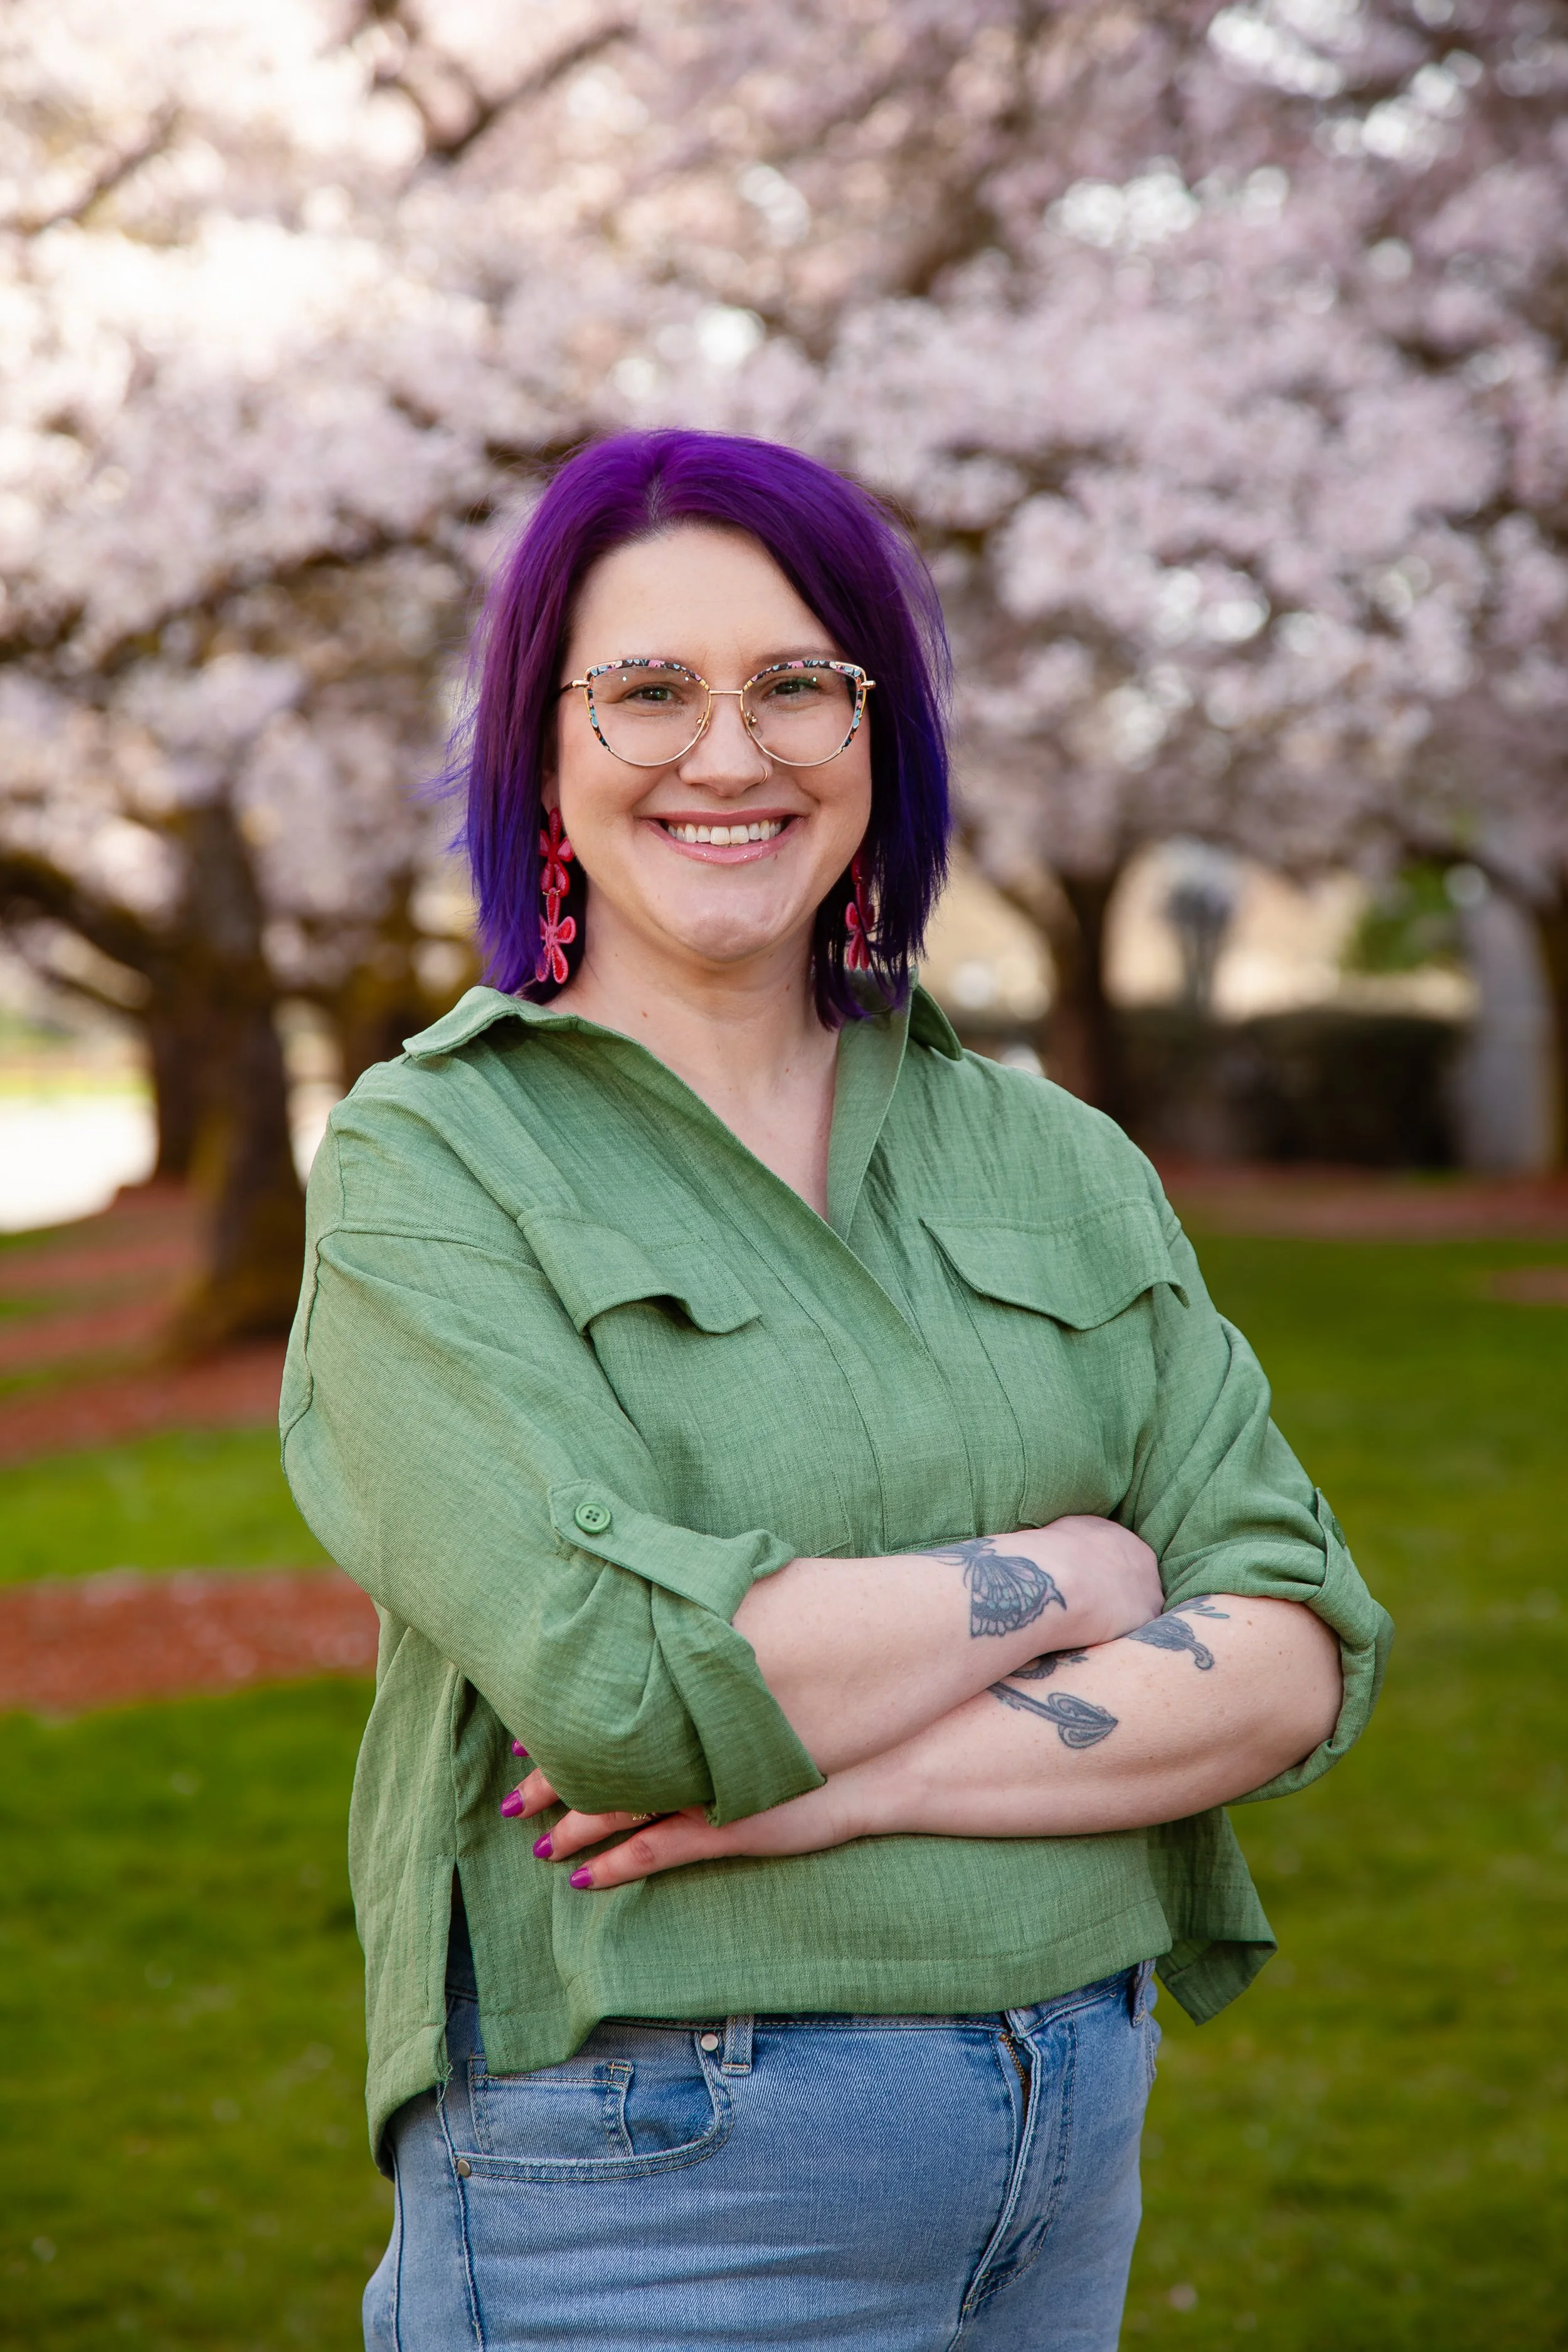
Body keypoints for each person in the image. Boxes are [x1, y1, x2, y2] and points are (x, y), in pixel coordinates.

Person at [281, 429, 1391, 2352]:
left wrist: (832, 1790)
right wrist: (1072, 1575)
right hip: (648, 2181)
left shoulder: (1049, 1153)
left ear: (879, 735)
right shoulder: (429, 1163)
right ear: (541, 747)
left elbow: (1293, 1651)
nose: (729, 753)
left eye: (797, 683)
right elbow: (628, 1691)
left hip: (1069, 2148)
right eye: (646, 690)